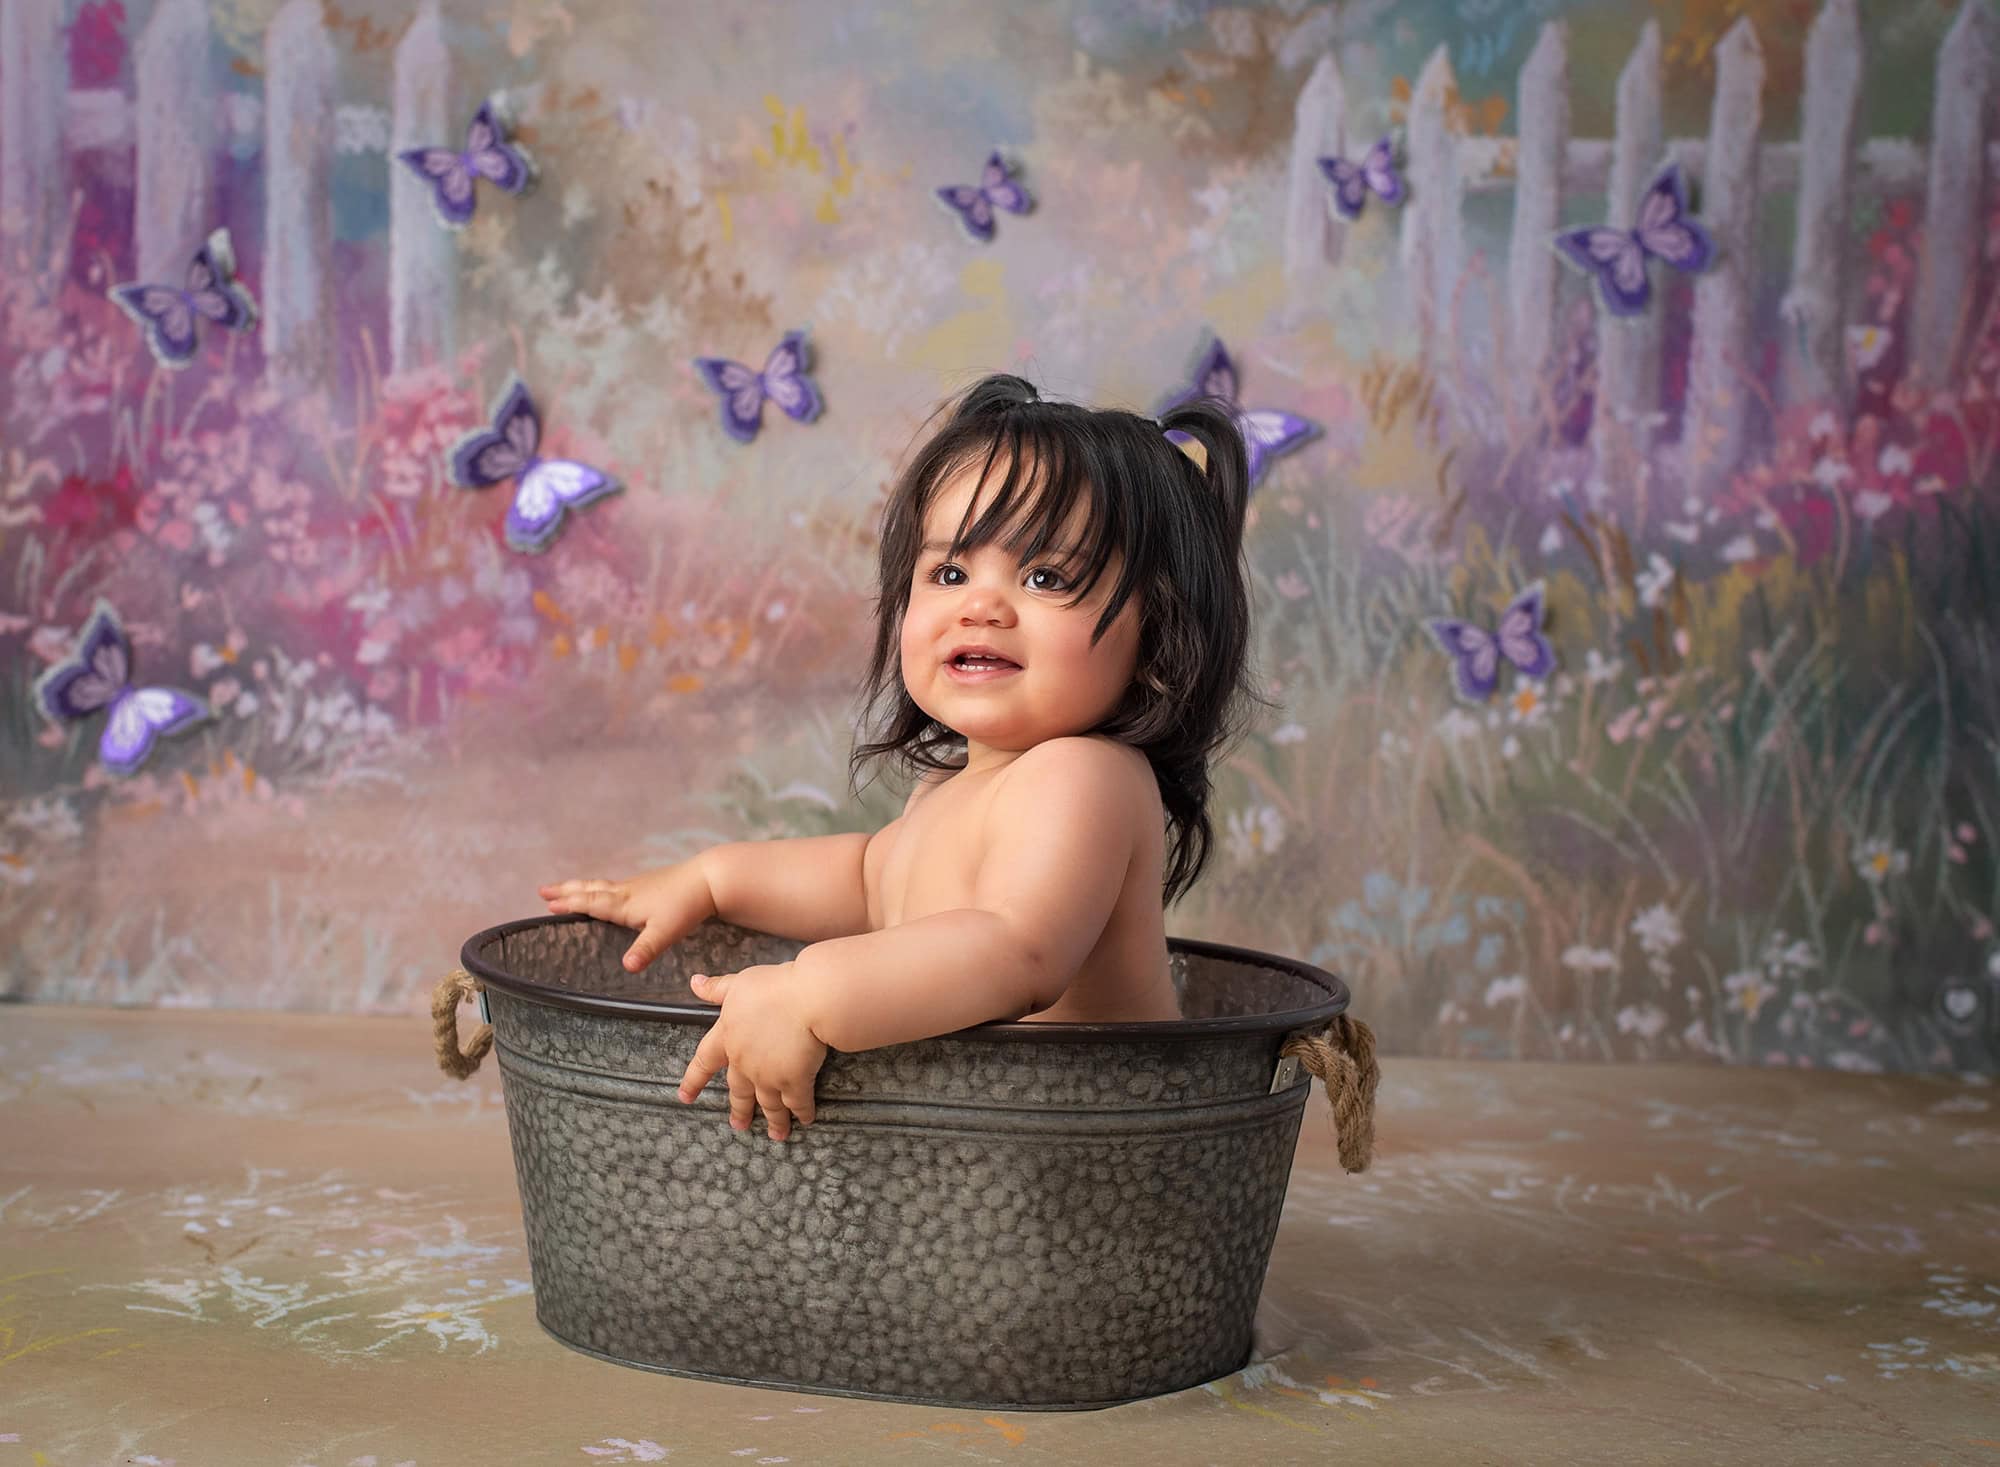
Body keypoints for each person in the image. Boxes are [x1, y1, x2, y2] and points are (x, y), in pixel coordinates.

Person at [538, 372, 1274, 1142]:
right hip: (978, 1164)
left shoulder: (1086, 775)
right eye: (950, 572)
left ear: (1158, 636)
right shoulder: (949, 786)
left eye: (1046, 576)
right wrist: (714, 877)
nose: (980, 605)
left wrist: (808, 991)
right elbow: (865, 877)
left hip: (1097, 1163)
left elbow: (1017, 949)